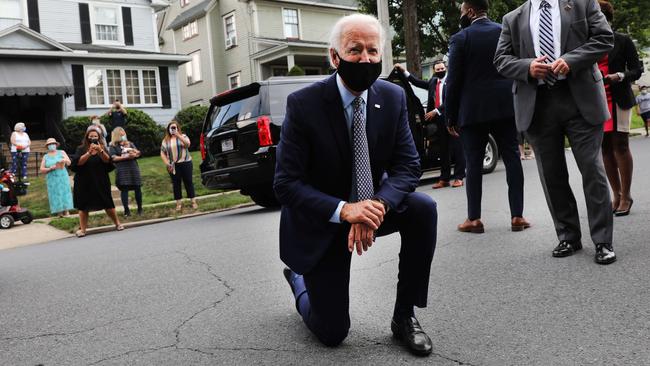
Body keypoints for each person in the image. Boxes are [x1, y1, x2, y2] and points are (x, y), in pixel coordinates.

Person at [275, 14, 437, 356]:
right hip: (325, 220)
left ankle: (404, 316)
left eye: (372, 51)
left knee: (424, 208)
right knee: (332, 332)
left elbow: (408, 165)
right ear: (335, 57)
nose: (365, 59)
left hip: (370, 206)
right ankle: (299, 281)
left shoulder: (392, 98)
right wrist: (346, 210)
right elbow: (286, 184)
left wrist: (376, 205)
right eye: (355, 50)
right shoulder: (304, 105)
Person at [495, 0, 616, 264]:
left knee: (592, 169)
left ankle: (603, 241)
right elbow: (501, 60)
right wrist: (526, 67)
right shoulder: (513, 18)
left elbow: (604, 39)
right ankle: (568, 236)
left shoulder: (584, 4)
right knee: (552, 176)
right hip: (538, 104)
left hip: (580, 100)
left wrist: (571, 60)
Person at [445, 0, 529, 234]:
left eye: (462, 11)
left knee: (473, 163)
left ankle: (474, 219)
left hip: (473, 110)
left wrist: (450, 116)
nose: (461, 15)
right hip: (505, 106)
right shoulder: (503, 31)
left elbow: (453, 81)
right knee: (512, 156)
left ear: (470, 12)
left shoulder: (461, 38)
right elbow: (515, 65)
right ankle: (517, 216)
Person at [597, 0, 643, 217]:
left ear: (606, 18)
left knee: (620, 145)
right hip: (597, 99)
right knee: (605, 148)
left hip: (619, 98)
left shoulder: (622, 40)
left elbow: (637, 68)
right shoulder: (589, 41)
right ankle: (615, 194)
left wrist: (621, 76)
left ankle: (626, 195)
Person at [395, 61, 466, 188]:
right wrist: (403, 71)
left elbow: (453, 99)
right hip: (439, 121)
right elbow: (416, 82)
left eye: (442, 68)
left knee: (457, 148)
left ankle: (459, 177)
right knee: (444, 150)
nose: (440, 71)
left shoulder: (452, 81)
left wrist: (436, 110)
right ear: (434, 71)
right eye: (437, 69)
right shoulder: (433, 82)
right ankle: (444, 179)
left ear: (446, 68)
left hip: (453, 118)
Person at [70, 129, 123, 237]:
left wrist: (100, 151)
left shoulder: (102, 148)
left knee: (108, 203)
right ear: (87, 137)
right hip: (84, 181)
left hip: (100, 179)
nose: (93, 138)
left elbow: (108, 161)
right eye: (91, 136)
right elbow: (78, 163)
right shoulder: (81, 149)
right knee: (83, 206)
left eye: (95, 136)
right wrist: (89, 152)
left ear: (99, 137)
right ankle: (83, 230)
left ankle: (117, 223)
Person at [160, 120, 198, 211]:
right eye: (171, 128)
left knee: (188, 182)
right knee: (176, 184)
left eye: (174, 127)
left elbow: (187, 144)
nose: (173, 129)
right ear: (168, 129)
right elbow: (162, 152)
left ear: (177, 128)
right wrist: (167, 163)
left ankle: (193, 201)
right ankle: (178, 204)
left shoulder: (183, 136)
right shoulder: (166, 140)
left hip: (186, 162)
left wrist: (177, 135)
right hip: (173, 165)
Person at [109, 127, 143, 217]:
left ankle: (140, 209)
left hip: (133, 167)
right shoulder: (113, 146)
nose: (123, 135)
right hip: (122, 169)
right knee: (124, 189)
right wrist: (126, 157)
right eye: (121, 134)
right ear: (117, 135)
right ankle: (126, 211)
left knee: (137, 187)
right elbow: (113, 158)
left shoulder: (130, 143)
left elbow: (138, 153)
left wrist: (135, 153)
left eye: (124, 133)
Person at [39, 138, 73, 217]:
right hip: (51, 177)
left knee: (65, 192)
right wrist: (50, 168)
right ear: (47, 146)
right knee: (54, 194)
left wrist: (63, 160)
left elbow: (69, 162)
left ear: (56, 145)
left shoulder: (61, 152)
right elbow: (41, 169)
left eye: (53, 144)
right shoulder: (46, 156)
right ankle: (59, 212)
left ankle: (66, 210)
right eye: (50, 144)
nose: (52, 145)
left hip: (62, 175)